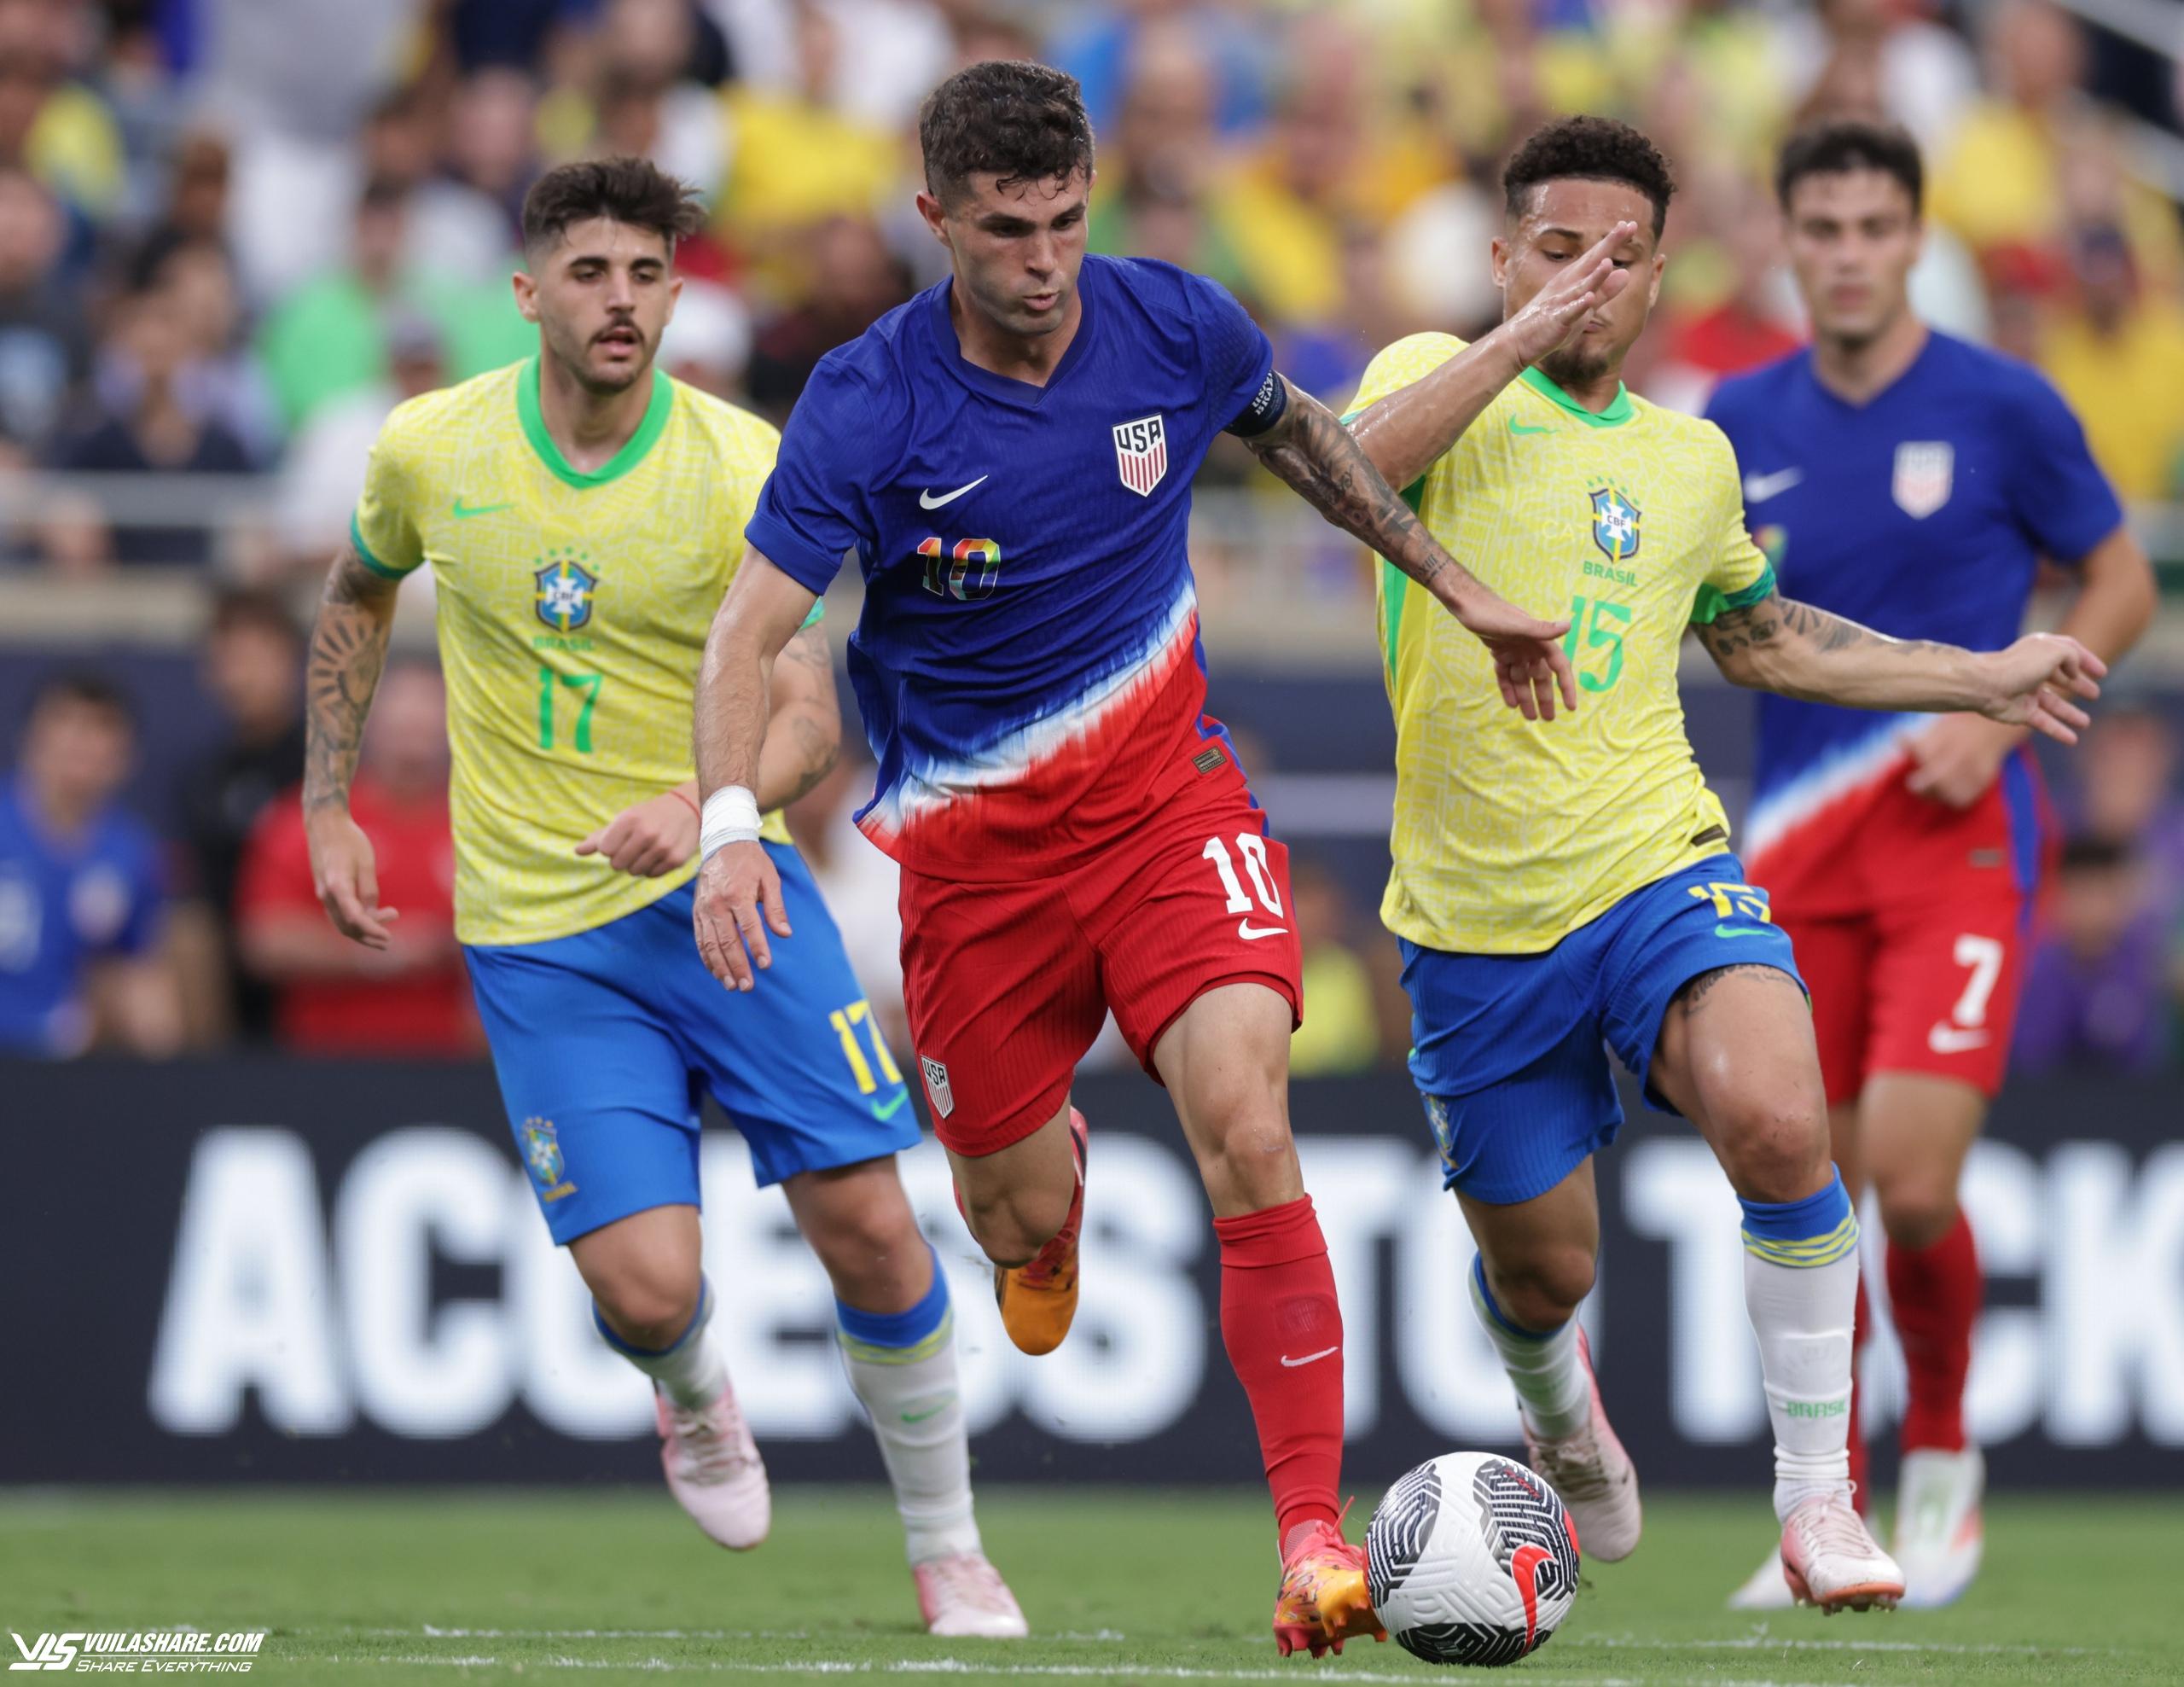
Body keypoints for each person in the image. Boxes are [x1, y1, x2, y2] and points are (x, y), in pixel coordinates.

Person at [689, 60, 1577, 1659]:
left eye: (1067, 223)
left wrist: (1460, 586)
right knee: (1010, 1223)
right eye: (1008, 230)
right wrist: (727, 829)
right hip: (972, 868)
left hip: (1172, 809)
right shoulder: (868, 400)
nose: (1044, 260)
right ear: (935, 219)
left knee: (1249, 1121)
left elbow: (1313, 447)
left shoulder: (1175, 323)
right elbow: (750, 632)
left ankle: (1314, 1537)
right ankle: (1055, 1205)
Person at [1339, 114, 2107, 1616]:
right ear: (1504, 260)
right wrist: (1513, 341)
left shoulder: (1690, 458)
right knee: (1544, 1271)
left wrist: (1977, 674)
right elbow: (1344, 472)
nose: (1586, 284)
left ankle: (1820, 1501)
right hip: (1477, 918)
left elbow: (1764, 638)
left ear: (1661, 278)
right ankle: (1560, 1416)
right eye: (1556, 253)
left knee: (1776, 1110)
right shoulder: (1425, 383)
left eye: (1618, 260)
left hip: (1659, 863)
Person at [299, 156, 1024, 1638]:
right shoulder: (431, 449)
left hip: (727, 891)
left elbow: (815, 716)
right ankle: (695, 1396)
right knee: (641, 1290)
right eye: (588, 273)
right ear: (528, 295)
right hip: (540, 926)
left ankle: (949, 1545)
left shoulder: (743, 465)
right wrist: (326, 800)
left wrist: (706, 809)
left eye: (644, 274)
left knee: (874, 1227)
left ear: (677, 290)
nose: (619, 300)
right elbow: (359, 592)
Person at [1704, 119, 2156, 1608]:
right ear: (1785, 239)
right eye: (1819, 227)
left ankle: (1944, 1454)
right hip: (1794, 851)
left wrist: (2011, 719)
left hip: (1958, 841)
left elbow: (2118, 570)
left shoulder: (1999, 403)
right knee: (1805, 1187)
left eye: (1871, 228)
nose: (1845, 254)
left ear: (1915, 241)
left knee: (1905, 1182)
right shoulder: (1733, 421)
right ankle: (1821, 1508)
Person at [237, 660, 476, 1056]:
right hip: (329, 1060)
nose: (414, 731)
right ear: (369, 723)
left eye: (428, 717)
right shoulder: (314, 817)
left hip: (457, 1066)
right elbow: (264, 940)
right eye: (402, 718)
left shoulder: (484, 825)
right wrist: (380, 956)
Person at [0, 672, 180, 1056]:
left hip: (75, 1052)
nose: (81, 745)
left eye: (100, 732)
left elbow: (138, 962)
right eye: (67, 725)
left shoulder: (132, 851)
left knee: (149, 990)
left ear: (124, 757)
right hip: (15, 1037)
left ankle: (172, 1104)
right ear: (31, 738)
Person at [172, 588, 309, 1043]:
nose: (240, 677)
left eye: (254, 658)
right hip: (225, 974)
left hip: (308, 962)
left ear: (292, 661)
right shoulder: (201, 778)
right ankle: (210, 1078)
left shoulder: (331, 767)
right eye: (226, 660)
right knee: (185, 930)